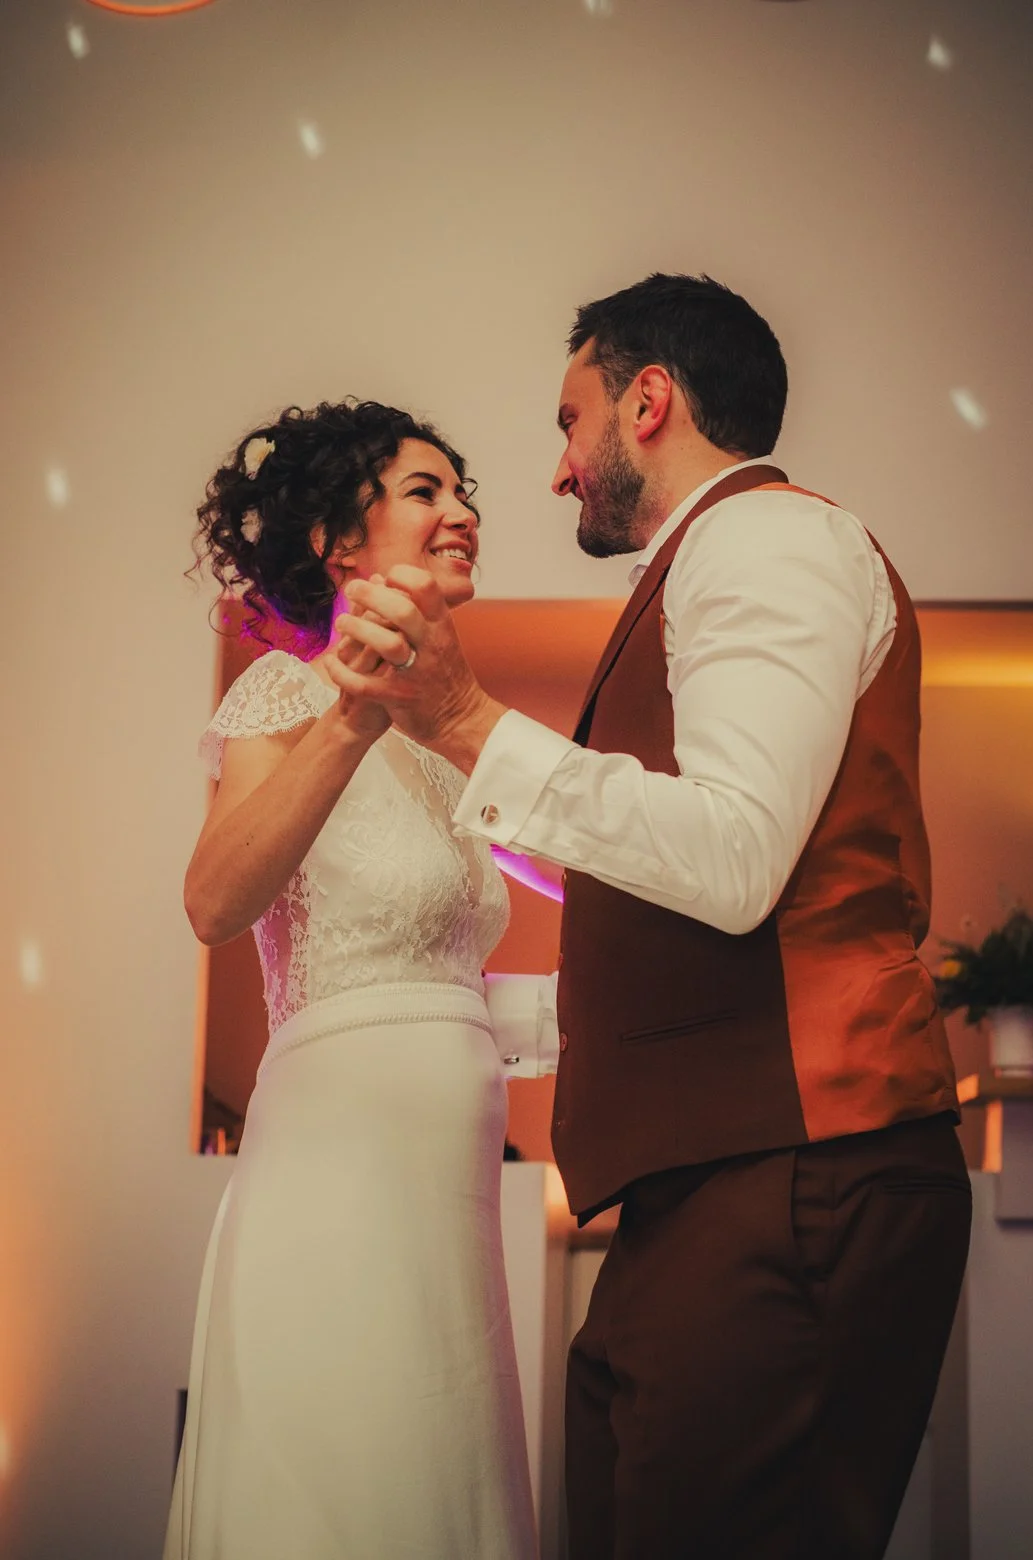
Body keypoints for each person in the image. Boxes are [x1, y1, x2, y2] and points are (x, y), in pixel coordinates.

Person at [329, 274, 973, 1560]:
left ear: (648, 401)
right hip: (717, 1178)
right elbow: (667, 881)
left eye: (568, 420)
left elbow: (730, 856)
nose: (557, 468)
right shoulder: (706, 560)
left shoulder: (764, 540)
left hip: (801, 1161)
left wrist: (467, 721)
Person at [165, 399, 541, 1560]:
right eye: (425, 491)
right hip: (337, 1170)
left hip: (449, 1199)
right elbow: (213, 902)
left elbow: (486, 938)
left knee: (433, 1469)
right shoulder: (284, 696)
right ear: (337, 543)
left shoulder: (453, 739)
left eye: (460, 491)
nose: (461, 511)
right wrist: (349, 716)